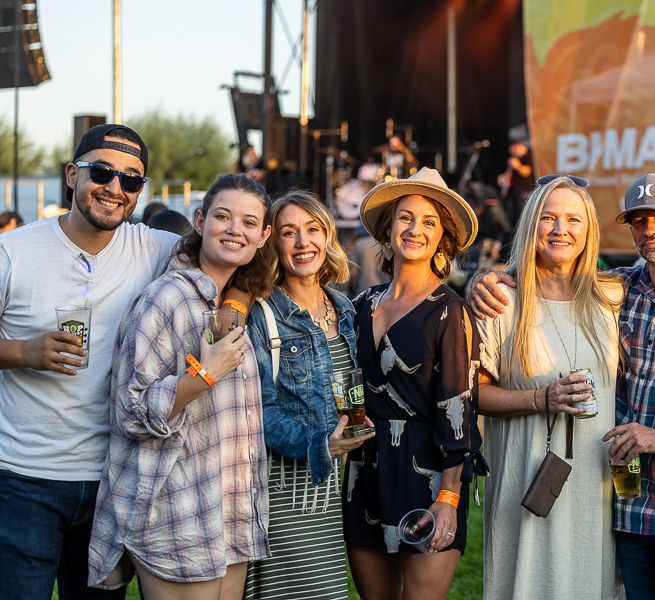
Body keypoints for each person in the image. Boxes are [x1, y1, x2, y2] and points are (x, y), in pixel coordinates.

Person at [468, 172, 655, 600]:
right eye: (639, 220)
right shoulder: (620, 291)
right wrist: (486, 278)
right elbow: (476, 387)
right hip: (626, 497)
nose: (649, 228)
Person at [0, 123, 178, 600]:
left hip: (113, 479)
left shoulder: (154, 248)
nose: (115, 187)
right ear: (71, 175)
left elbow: (229, 254)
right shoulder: (13, 251)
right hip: (24, 478)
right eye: (101, 171)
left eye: (131, 179)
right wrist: (23, 351)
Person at [87, 174, 275, 598]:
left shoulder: (235, 299)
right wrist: (204, 374)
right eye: (223, 217)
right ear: (200, 220)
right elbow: (132, 411)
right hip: (177, 511)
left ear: (263, 236)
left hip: (229, 505)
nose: (234, 230)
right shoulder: (166, 299)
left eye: (248, 223)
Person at [476, 174, 623, 599]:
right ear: (530, 225)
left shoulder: (613, 298)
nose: (561, 230)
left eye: (573, 219)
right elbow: (477, 395)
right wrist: (542, 398)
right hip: (524, 479)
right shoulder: (501, 302)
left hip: (595, 482)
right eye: (548, 217)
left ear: (589, 230)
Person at [344, 168, 484, 600]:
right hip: (364, 471)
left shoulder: (450, 311)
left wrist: (449, 496)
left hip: (427, 474)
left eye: (428, 222)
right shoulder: (361, 305)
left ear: (442, 238)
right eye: (405, 218)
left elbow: (459, 409)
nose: (414, 229)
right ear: (388, 229)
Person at [243, 190, 375, 600]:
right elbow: (258, 412)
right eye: (289, 232)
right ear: (274, 243)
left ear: (327, 236)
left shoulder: (345, 309)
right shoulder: (263, 315)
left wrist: (353, 426)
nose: (303, 242)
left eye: (312, 229)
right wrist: (321, 444)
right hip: (285, 490)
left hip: (333, 490)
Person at [498, 140, 534, 225]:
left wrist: (517, 166)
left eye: (514, 149)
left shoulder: (529, 156)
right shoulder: (515, 159)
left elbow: (527, 171)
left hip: (525, 190)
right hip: (514, 193)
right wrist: (503, 178)